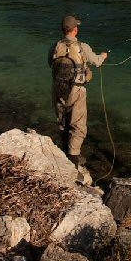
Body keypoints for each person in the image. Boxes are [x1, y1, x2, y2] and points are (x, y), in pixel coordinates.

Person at [49, 15, 108, 169]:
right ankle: (73, 160)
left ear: (63, 30)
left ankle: (63, 151)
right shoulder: (83, 47)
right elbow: (96, 61)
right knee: (78, 125)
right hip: (76, 90)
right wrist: (103, 56)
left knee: (62, 121)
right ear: (75, 29)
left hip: (57, 89)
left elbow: (51, 64)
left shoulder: (55, 46)